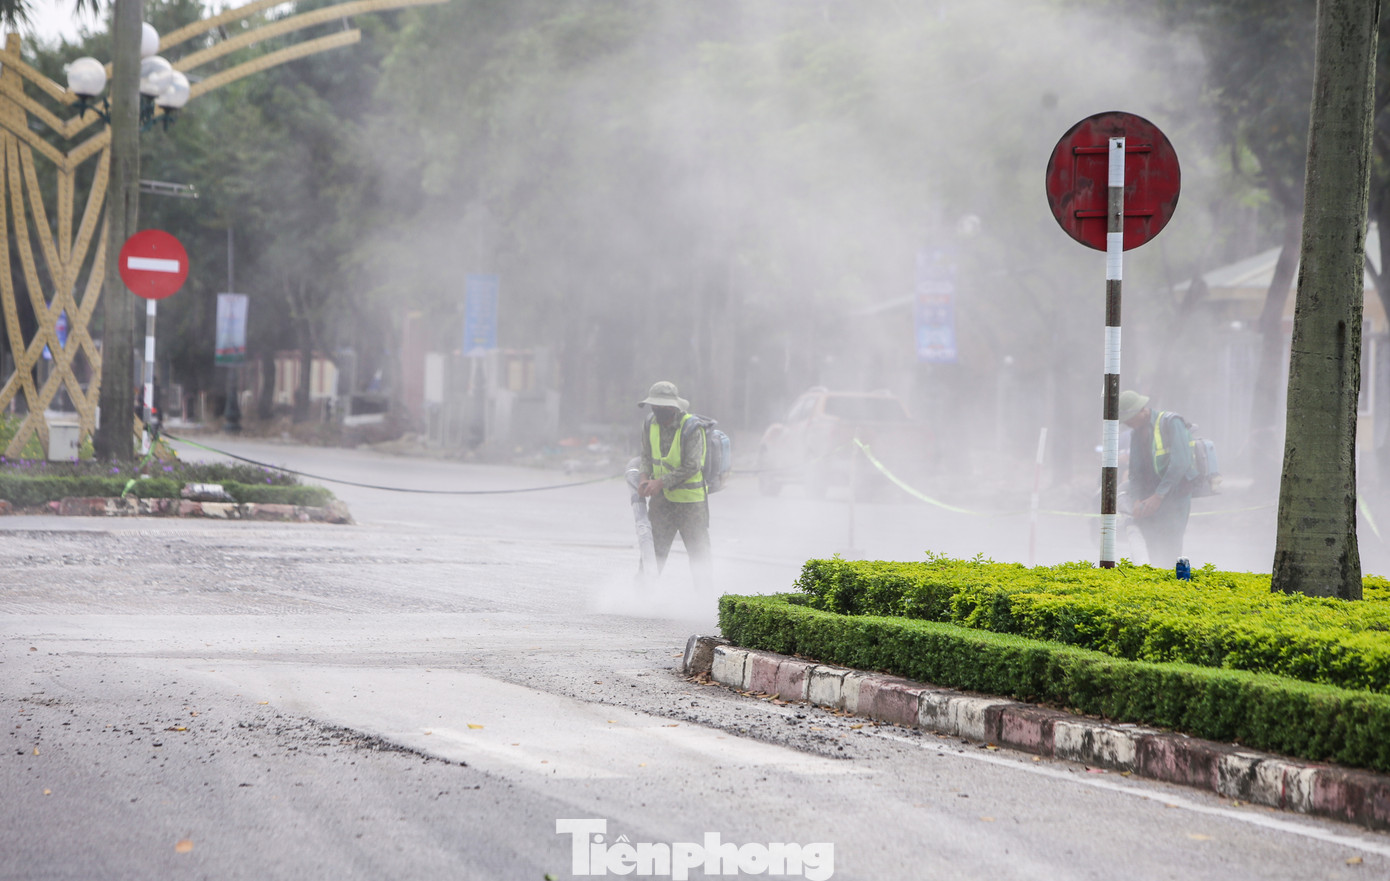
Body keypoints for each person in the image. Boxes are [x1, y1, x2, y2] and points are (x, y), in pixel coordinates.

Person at [636, 381, 712, 590]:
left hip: (691, 504)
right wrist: (644, 478)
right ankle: (641, 596)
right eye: (654, 406)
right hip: (662, 501)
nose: (657, 410)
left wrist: (660, 482)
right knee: (653, 553)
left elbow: (692, 466)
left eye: (661, 407)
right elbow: (646, 456)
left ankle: (705, 600)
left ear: (673, 407)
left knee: (699, 555)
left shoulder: (691, 428)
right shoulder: (650, 423)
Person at [1119, 389, 1198, 568]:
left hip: (1174, 497)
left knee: (1170, 546)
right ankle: (1154, 581)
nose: (1128, 424)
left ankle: (1171, 581)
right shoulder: (1135, 433)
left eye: (1130, 419)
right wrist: (1136, 500)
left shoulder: (1171, 423)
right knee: (1150, 546)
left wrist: (1158, 496)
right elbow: (1135, 472)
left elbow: (1180, 463)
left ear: (1142, 410)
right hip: (1149, 498)